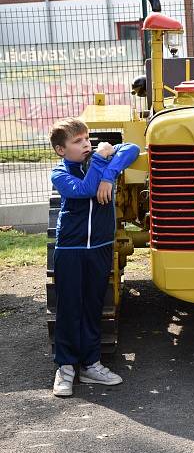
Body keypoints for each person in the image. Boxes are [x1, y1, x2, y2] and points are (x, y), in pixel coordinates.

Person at [48, 117, 140, 397]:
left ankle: (90, 364)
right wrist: (101, 162)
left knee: (92, 308)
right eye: (78, 141)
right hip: (71, 250)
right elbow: (84, 190)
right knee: (69, 309)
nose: (86, 144)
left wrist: (109, 175)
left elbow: (132, 148)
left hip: (100, 248)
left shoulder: (100, 163)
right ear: (61, 150)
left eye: (87, 138)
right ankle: (65, 368)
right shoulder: (59, 173)